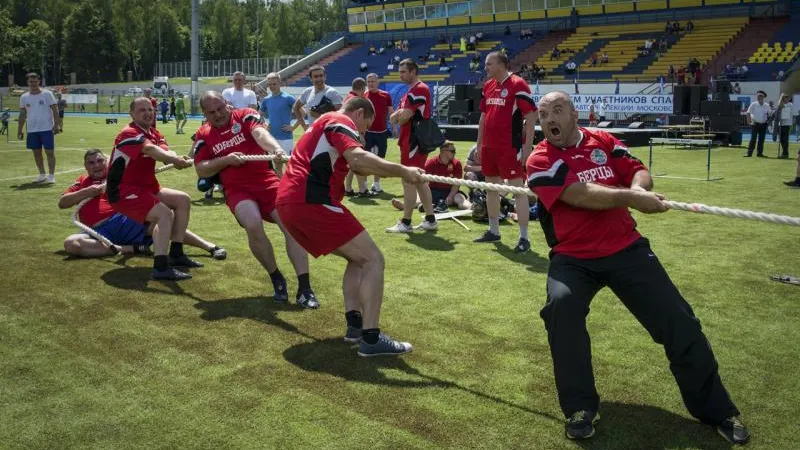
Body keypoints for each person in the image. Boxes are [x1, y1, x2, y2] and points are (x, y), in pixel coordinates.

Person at [526, 91, 750, 446]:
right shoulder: (539, 159)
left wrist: (638, 189)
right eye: (543, 114)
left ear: (574, 114)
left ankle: (717, 411)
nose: (549, 119)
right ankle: (579, 408)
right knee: (561, 309)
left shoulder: (604, 141)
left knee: (679, 320)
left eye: (557, 111)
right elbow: (578, 194)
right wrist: (630, 197)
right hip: (574, 257)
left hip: (626, 248)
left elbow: (638, 171)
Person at [276, 97, 420, 356]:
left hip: (292, 202)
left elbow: (354, 165)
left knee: (358, 259)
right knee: (374, 260)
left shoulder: (322, 122)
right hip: (310, 201)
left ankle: (355, 326)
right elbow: (357, 160)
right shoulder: (340, 120)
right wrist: (403, 170)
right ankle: (371, 338)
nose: (362, 134)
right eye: (364, 127)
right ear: (360, 113)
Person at [193, 91, 320, 308]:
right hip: (236, 189)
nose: (218, 115)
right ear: (204, 113)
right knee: (252, 224)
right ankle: (276, 278)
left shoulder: (246, 115)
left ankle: (305, 288)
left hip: (266, 182)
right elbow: (201, 170)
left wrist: (276, 149)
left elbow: (260, 134)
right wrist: (225, 160)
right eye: (211, 112)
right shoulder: (203, 134)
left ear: (227, 104)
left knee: (290, 226)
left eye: (220, 109)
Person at [60, 149, 227, 259]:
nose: (96, 165)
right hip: (96, 232)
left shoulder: (119, 175)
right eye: (91, 163)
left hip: (125, 220)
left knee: (163, 220)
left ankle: (209, 247)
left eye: (99, 161)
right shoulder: (82, 181)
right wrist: (88, 191)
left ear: (106, 162)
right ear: (85, 166)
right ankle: (127, 249)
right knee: (71, 244)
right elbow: (63, 203)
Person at [108, 97, 200, 281]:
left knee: (183, 200)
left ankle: (176, 253)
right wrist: (174, 160)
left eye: (150, 109)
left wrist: (174, 158)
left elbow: (165, 152)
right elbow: (150, 151)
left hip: (146, 188)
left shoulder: (154, 133)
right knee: (164, 214)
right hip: (123, 192)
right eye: (142, 110)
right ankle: (160, 266)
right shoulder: (128, 133)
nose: (148, 113)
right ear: (132, 114)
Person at [473, 51, 538, 253]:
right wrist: (479, 142)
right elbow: (484, 116)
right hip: (489, 147)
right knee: (491, 188)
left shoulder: (518, 84)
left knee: (518, 190)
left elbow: (532, 115)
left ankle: (524, 238)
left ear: (501, 64)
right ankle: (494, 231)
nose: (486, 68)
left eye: (489, 64)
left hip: (510, 147)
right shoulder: (488, 86)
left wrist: (527, 148)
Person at [386, 59, 438, 233]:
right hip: (409, 141)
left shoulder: (419, 89)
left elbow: (402, 117)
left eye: (403, 72)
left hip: (414, 141)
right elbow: (394, 117)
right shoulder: (410, 91)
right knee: (420, 181)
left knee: (409, 180)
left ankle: (406, 222)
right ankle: (430, 219)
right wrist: (399, 115)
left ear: (413, 71)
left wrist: (400, 115)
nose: (401, 75)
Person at [18, 72, 61, 184]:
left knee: (49, 152)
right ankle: (42, 174)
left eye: (35, 81)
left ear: (39, 81)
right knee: (36, 154)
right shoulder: (24, 97)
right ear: (28, 82)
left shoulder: (47, 94)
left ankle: (51, 175)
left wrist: (56, 124)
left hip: (46, 129)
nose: (33, 83)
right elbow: (22, 114)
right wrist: (20, 129)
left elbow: (55, 109)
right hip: (32, 130)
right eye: (31, 81)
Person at [364, 73, 395, 194]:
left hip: (382, 133)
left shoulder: (386, 95)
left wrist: (394, 127)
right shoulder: (364, 96)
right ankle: (364, 184)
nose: (371, 84)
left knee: (380, 159)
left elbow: (391, 112)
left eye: (373, 81)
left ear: (378, 82)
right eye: (369, 81)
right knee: (365, 159)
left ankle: (376, 184)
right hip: (367, 133)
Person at [342, 78, 372, 197]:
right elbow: (355, 120)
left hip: (348, 133)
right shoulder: (356, 100)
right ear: (363, 88)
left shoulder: (348, 98)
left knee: (351, 163)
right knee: (358, 162)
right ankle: (362, 189)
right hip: (353, 134)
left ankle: (348, 188)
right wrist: (361, 135)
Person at [424, 141, 471, 211]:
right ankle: (423, 205)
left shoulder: (456, 163)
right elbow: (424, 182)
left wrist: (451, 196)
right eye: (452, 151)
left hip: (451, 191)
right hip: (434, 191)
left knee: (460, 198)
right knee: (422, 196)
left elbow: (457, 183)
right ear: (444, 151)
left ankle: (473, 208)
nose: (455, 153)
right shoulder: (431, 163)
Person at [293, 65, 343, 130]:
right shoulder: (308, 91)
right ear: (310, 78)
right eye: (316, 76)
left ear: (325, 77)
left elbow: (341, 116)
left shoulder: (332, 92)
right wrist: (304, 126)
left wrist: (318, 115)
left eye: (321, 76)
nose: (319, 79)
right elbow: (296, 107)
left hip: (328, 133)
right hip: (313, 134)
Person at [260, 72, 298, 156]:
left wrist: (293, 126)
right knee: (276, 163)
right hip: (272, 137)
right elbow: (259, 115)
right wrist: (265, 125)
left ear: (280, 83)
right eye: (270, 84)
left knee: (288, 162)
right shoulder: (266, 99)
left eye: (274, 84)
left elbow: (302, 112)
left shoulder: (288, 98)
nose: (272, 86)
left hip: (286, 138)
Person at [746, 90, 769, 157]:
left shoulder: (766, 105)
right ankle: (749, 153)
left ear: (763, 97)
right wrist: (748, 122)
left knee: (761, 139)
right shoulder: (753, 104)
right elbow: (748, 113)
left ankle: (759, 153)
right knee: (753, 139)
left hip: (763, 124)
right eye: (758, 96)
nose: (758, 97)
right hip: (755, 124)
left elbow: (770, 113)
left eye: (760, 96)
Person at [776, 94, 794, 159]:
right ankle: (784, 152)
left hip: (786, 124)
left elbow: (783, 108)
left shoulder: (790, 104)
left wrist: (781, 98)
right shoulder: (781, 104)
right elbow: (778, 108)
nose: (785, 99)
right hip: (780, 124)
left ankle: (785, 153)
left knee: (785, 139)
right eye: (784, 98)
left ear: (788, 99)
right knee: (781, 139)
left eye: (787, 98)